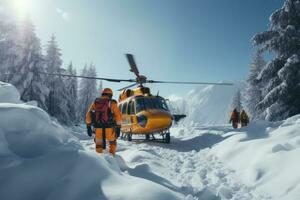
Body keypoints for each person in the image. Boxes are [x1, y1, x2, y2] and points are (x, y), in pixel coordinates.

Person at [85, 88, 122, 155]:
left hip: (98, 128)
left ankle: (99, 159)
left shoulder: (95, 103)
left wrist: (88, 126)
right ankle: (112, 157)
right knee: (112, 142)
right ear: (110, 95)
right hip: (109, 128)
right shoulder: (112, 103)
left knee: (99, 144)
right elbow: (118, 117)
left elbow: (88, 115)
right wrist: (118, 127)